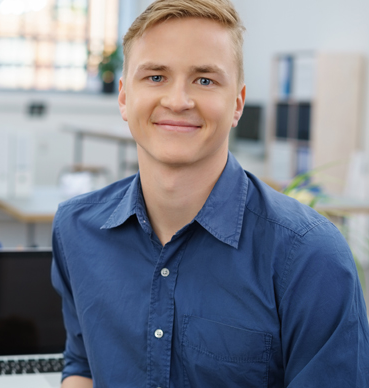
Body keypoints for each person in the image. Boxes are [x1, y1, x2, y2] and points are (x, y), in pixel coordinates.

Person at [51, 0, 369, 386]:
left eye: (204, 80)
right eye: (155, 77)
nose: (178, 101)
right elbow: (82, 363)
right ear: (123, 97)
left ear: (236, 103)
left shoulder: (309, 256)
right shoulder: (76, 229)